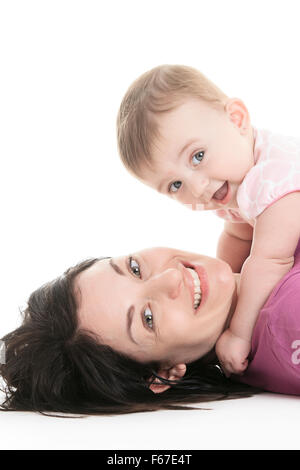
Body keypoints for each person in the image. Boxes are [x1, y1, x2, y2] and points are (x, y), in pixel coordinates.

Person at [116, 64, 300, 377]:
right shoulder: (235, 178)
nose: (198, 187)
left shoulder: (272, 177)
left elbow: (270, 261)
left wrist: (239, 333)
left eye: (198, 156)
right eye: (176, 186)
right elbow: (238, 234)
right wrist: (225, 273)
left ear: (236, 120)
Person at [1, 243, 300, 417]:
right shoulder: (287, 319)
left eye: (134, 268)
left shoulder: (256, 233)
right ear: (166, 373)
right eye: (147, 318)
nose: (171, 277)